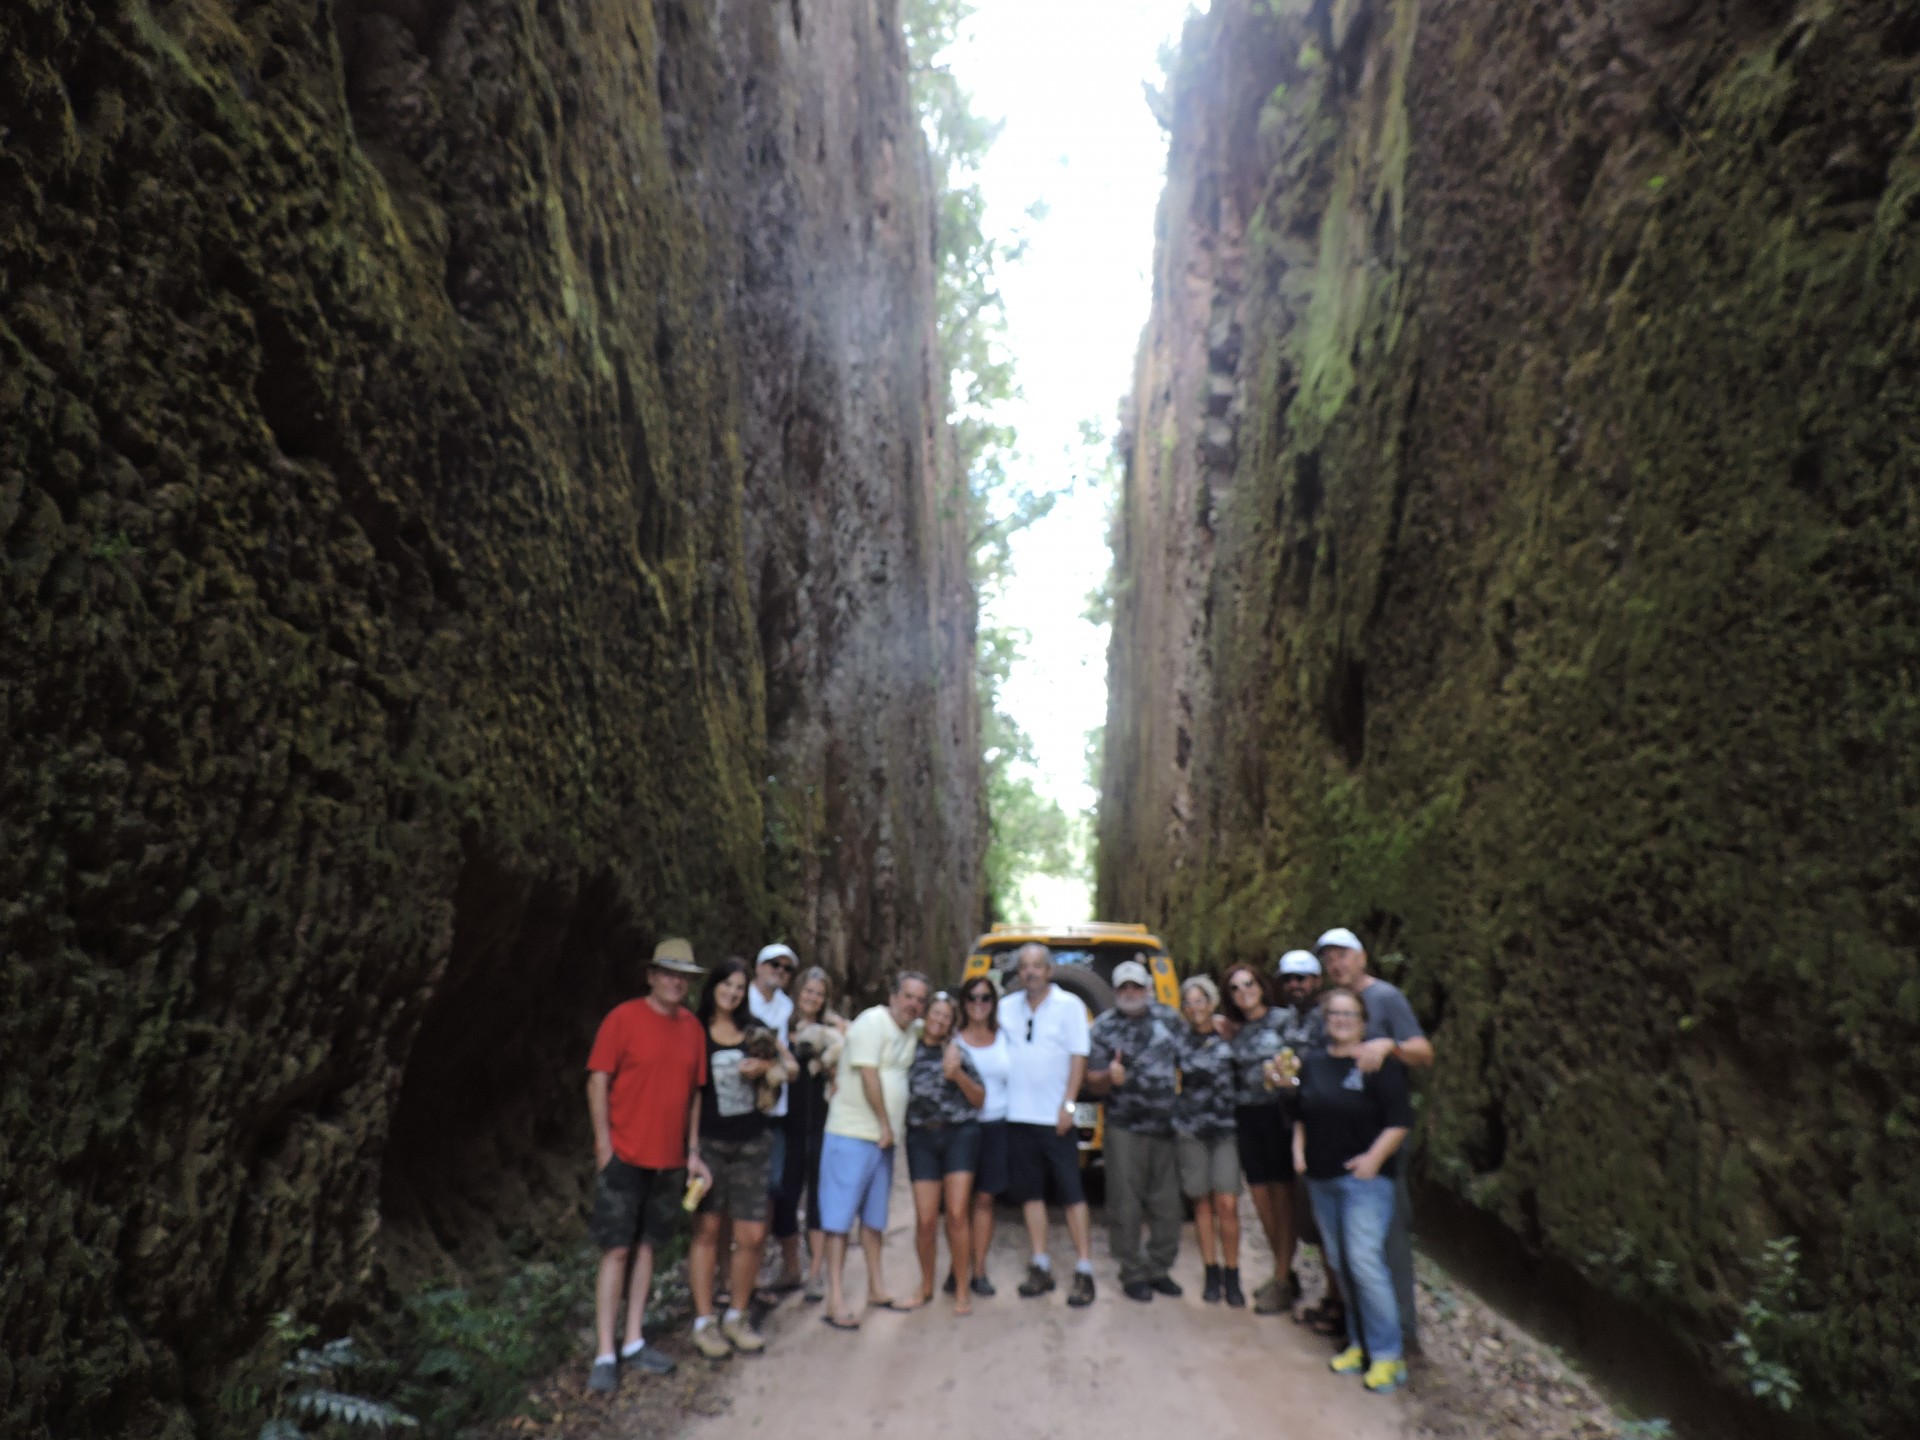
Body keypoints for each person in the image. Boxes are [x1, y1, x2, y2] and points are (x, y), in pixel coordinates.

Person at [583, 937, 712, 1394]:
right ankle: (604, 1350)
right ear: (652, 976)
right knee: (616, 1249)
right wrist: (604, 1144)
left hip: (670, 1159)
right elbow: (599, 1079)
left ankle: (634, 1337)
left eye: (684, 977)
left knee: (648, 1248)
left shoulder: (693, 1029)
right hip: (625, 1154)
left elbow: (695, 1093)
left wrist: (692, 1150)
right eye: (669, 973)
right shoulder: (623, 1019)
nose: (677, 982)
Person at [1292, 985, 1414, 1394]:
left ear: (1363, 1022)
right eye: (1334, 1014)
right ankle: (1359, 1344)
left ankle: (1387, 1356)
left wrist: (1372, 1161)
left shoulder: (1377, 1062)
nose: (1341, 1020)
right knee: (1341, 1264)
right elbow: (1301, 1113)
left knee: (1364, 1262)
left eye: (1349, 1014)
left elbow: (1399, 1122)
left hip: (1364, 1182)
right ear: (1326, 1022)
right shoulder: (1313, 1063)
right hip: (1322, 1181)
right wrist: (1299, 1152)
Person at [1316, 926, 1432, 1350]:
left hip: (1382, 1141)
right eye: (1328, 958)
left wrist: (1390, 1047)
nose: (1336, 964)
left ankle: (1402, 1334)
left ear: (1362, 956)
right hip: (1340, 1144)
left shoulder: (1386, 998)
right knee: (1349, 1248)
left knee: (1388, 1242)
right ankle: (1362, 1332)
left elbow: (1424, 1052)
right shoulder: (1328, 1007)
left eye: (1342, 954)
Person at [687, 956, 787, 1358]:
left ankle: (738, 1316)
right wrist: (692, 1149)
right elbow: (691, 1094)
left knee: (752, 1234)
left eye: (739, 987)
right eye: (726, 984)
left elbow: (788, 1068)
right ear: (713, 986)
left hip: (751, 1143)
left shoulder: (754, 1032)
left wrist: (765, 1066)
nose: (732, 992)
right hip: (710, 1144)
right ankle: (704, 1320)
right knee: (708, 1232)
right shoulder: (695, 1032)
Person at [817, 971, 930, 1330]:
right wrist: (884, 1123)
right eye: (908, 995)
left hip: (882, 1141)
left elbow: (939, 1026)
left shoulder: (911, 1030)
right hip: (852, 1133)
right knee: (838, 1222)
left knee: (873, 1221)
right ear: (893, 995)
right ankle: (834, 1297)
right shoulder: (872, 1022)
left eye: (919, 999)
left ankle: (876, 1288)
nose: (913, 1003)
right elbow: (868, 1075)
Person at [999, 943, 1096, 1306]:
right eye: (1024, 966)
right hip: (1018, 1116)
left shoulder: (1070, 1007)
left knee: (1071, 1193)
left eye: (1038, 965)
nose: (1031, 972)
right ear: (1019, 973)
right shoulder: (1006, 1008)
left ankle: (1084, 1269)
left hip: (1056, 1117)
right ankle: (1040, 1263)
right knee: (1031, 1194)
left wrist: (1069, 1104)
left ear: (1050, 971)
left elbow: (1079, 1056)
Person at [1085, 959, 1185, 1302]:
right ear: (1115, 992)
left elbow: (1194, 1055)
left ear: (1147, 989)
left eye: (1136, 987)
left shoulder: (1170, 1020)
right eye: (1124, 987)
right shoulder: (1101, 1028)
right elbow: (1091, 1081)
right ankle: (1132, 1271)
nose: (1130, 993)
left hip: (1166, 1125)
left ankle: (1159, 1267)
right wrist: (1106, 1078)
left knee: (1168, 1204)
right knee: (1124, 1204)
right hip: (1123, 1128)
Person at [1221, 962, 1310, 1313]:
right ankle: (1283, 1272)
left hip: (1279, 1115)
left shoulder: (1284, 1020)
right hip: (1247, 1117)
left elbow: (1302, 1064)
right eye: (1235, 988)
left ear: (1261, 986)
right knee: (1260, 1198)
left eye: (1249, 984)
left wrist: (1292, 1081)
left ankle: (1282, 1277)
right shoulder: (1235, 1030)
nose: (1244, 992)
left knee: (1283, 1197)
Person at [905, 992, 986, 1313]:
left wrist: (958, 1075)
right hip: (920, 1138)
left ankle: (962, 1289)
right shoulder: (906, 1048)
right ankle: (925, 1286)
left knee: (956, 1214)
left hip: (959, 1136)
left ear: (952, 1024)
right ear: (926, 1015)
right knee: (925, 1220)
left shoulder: (958, 1052)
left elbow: (980, 1098)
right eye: (935, 1014)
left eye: (946, 1017)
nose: (939, 1020)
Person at [1172, 975, 1244, 1306]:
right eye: (1189, 1002)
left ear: (1212, 1003)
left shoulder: (1230, 1033)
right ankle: (1211, 1272)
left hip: (1226, 1128)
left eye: (1201, 1001)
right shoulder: (1179, 1039)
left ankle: (1233, 1273)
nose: (1195, 1008)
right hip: (1191, 1128)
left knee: (1227, 1204)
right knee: (1201, 1201)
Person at [778, 965, 844, 1302]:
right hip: (787, 1125)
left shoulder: (831, 1031)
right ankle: (791, 1266)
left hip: (821, 1123)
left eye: (819, 994)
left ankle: (816, 1272)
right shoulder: (783, 1027)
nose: (813, 998)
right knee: (785, 1196)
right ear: (798, 992)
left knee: (818, 1198)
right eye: (808, 991)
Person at [748, 943, 801, 1290]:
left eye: (786, 968)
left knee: (770, 1190)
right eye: (774, 964)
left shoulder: (786, 1007)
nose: (779, 971)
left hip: (776, 1111)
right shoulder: (741, 997)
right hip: (740, 1109)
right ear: (758, 966)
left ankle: (752, 1273)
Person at [955, 975, 1012, 1297]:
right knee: (957, 1205)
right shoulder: (954, 1039)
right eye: (973, 998)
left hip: (996, 1125)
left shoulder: (1005, 1037)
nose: (979, 1004)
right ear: (964, 1002)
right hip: (961, 1126)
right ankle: (957, 1268)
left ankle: (979, 1270)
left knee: (985, 1199)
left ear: (993, 1003)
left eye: (985, 998)